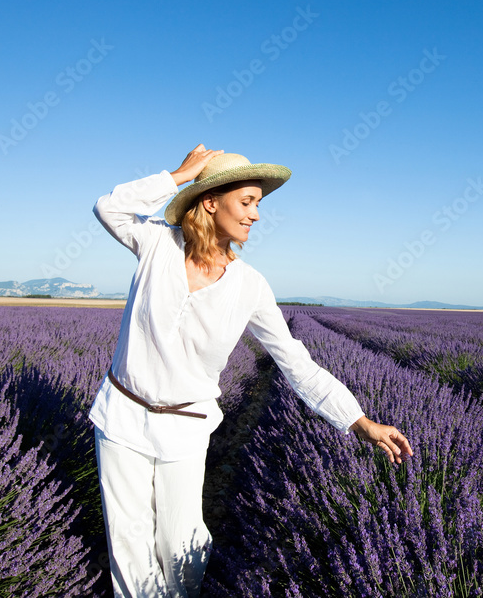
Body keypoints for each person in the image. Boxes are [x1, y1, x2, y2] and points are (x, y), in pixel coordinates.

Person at [88, 144, 414, 597]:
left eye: (258, 203)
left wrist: (359, 422)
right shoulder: (158, 244)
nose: (256, 215)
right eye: (247, 201)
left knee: (179, 543)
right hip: (121, 416)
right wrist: (181, 175)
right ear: (210, 201)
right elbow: (109, 207)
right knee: (129, 544)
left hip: (185, 425)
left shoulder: (250, 286)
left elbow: (297, 362)